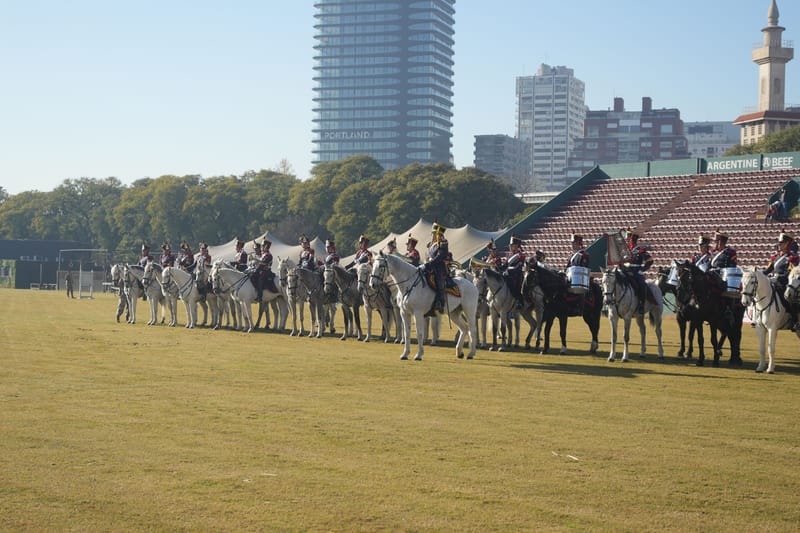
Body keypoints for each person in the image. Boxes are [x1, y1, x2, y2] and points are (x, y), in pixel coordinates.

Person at [764, 230, 799, 330]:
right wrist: (758, 274)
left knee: (788, 297)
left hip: (785, 283)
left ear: (787, 243)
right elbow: (767, 270)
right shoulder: (775, 257)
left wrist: (778, 277)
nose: (779, 245)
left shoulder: (792, 258)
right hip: (773, 281)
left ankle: (794, 320)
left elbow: (791, 273)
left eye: (781, 243)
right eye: (779, 243)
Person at [620, 229, 653, 314]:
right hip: (626, 271)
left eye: (630, 237)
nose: (629, 239)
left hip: (636, 271)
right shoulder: (625, 249)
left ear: (634, 239)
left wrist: (642, 269)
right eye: (629, 237)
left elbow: (650, 261)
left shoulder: (640, 249)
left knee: (642, 284)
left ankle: (641, 304)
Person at [423, 222, 449, 315]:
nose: (432, 235)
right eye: (432, 233)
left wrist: (430, 263)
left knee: (438, 281)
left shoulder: (443, 242)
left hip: (439, 268)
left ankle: (440, 303)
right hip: (430, 267)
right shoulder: (431, 244)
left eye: (434, 233)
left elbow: (440, 256)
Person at [504, 235, 526, 308]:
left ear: (516, 246)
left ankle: (520, 301)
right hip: (510, 274)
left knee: (515, 286)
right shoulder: (510, 255)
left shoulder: (520, 255)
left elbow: (519, 267)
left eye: (512, 245)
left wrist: (508, 270)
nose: (510, 246)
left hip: (518, 274)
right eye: (510, 245)